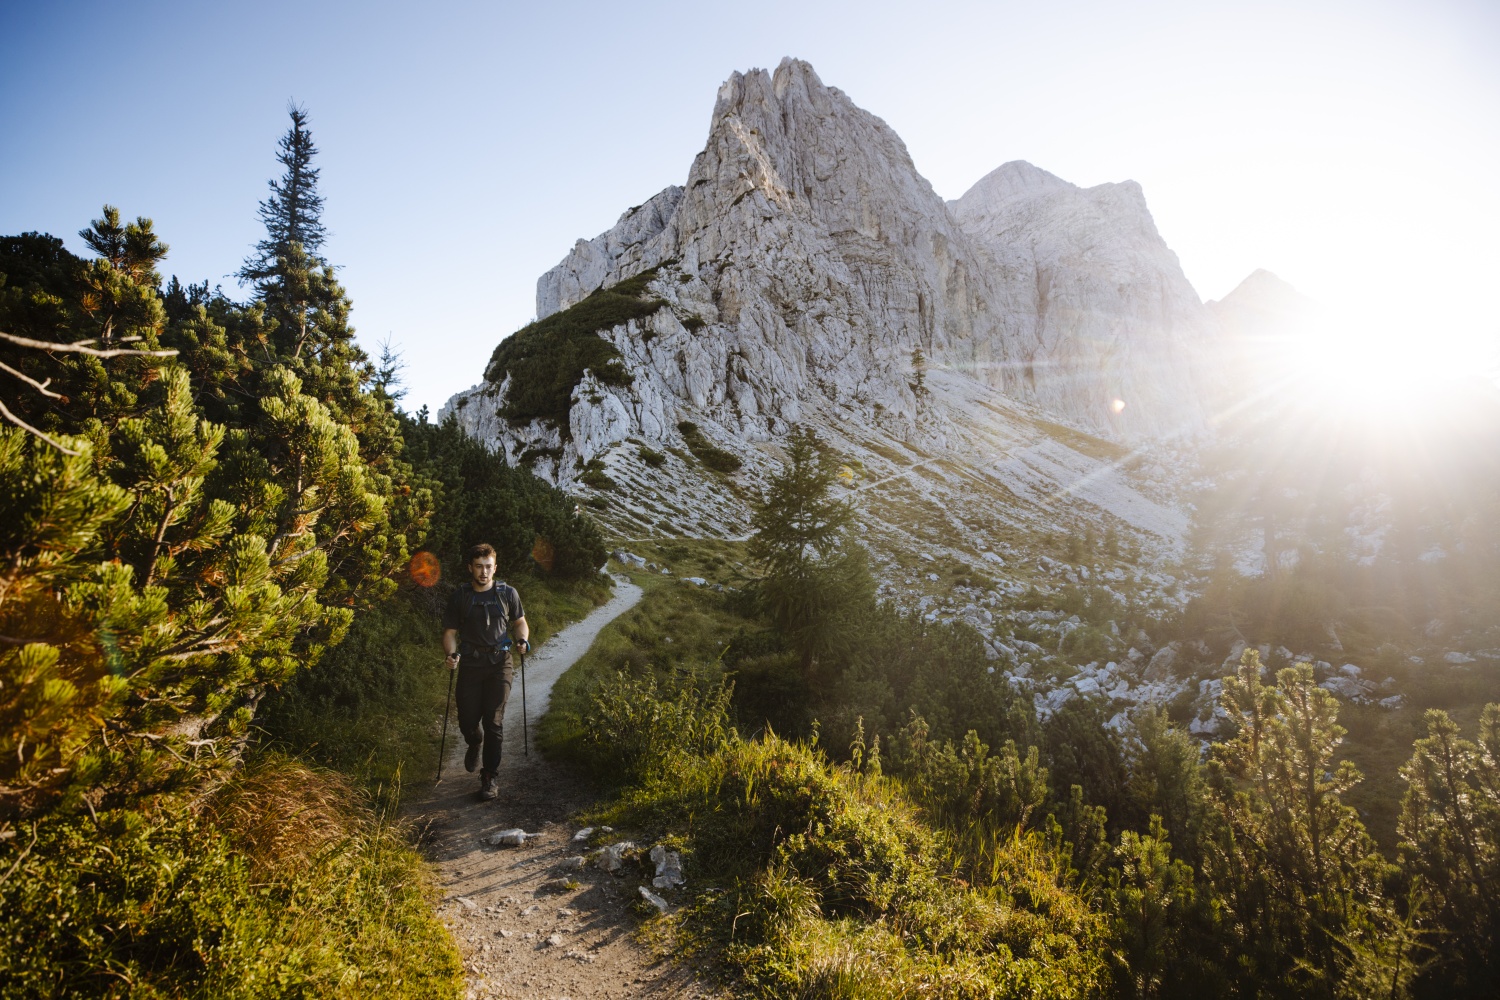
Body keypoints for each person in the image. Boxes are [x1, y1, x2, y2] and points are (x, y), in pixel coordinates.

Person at [441, 543, 529, 800]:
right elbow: (449, 632)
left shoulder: (507, 593)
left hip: (500, 663)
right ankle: (473, 740)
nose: (483, 572)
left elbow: (520, 622)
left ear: (495, 567)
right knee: (468, 721)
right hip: (470, 664)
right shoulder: (461, 596)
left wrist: (522, 640)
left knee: (494, 720)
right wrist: (451, 655)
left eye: (488, 566)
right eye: (478, 566)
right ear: (470, 567)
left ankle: (489, 776)